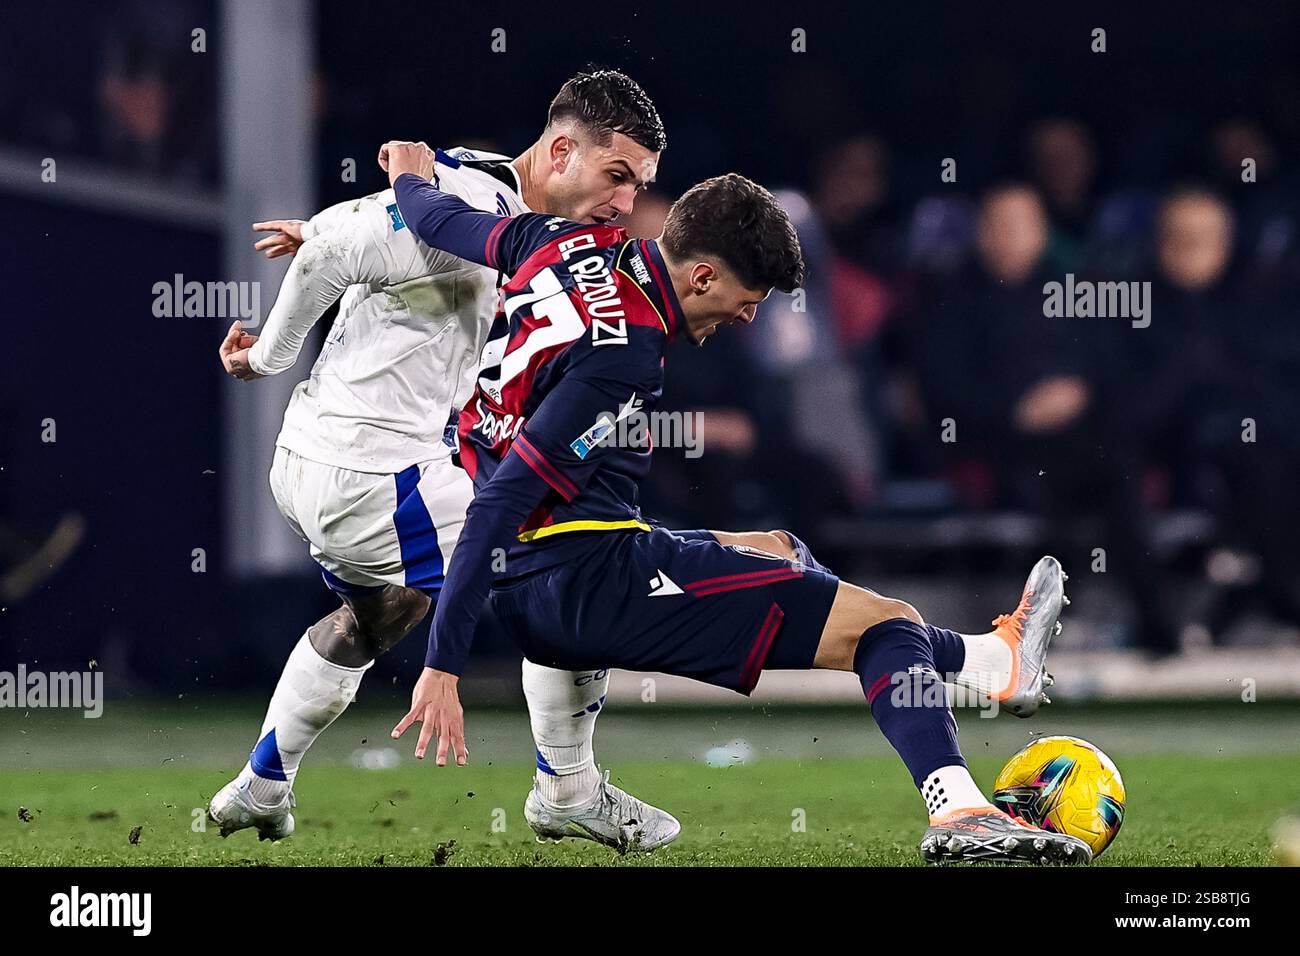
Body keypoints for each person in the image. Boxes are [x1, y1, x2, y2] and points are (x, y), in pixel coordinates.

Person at [383, 146, 1090, 863]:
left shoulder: (562, 241)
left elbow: (444, 221)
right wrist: (443, 665)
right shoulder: (623, 347)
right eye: (747, 299)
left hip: (576, 550)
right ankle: (961, 811)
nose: (749, 318)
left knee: (778, 548)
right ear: (702, 274)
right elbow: (501, 502)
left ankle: (992, 663)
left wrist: (408, 175)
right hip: (583, 581)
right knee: (886, 627)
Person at [208, 71, 677, 850]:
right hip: (370, 473)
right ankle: (569, 789)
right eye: (617, 176)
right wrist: (268, 353)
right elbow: (341, 250)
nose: (628, 203)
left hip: (330, 463)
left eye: (640, 185)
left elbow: (384, 217)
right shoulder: (479, 202)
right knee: (571, 563)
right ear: (562, 150)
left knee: (383, 613)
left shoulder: (487, 191)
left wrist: (331, 223)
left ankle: (262, 783)